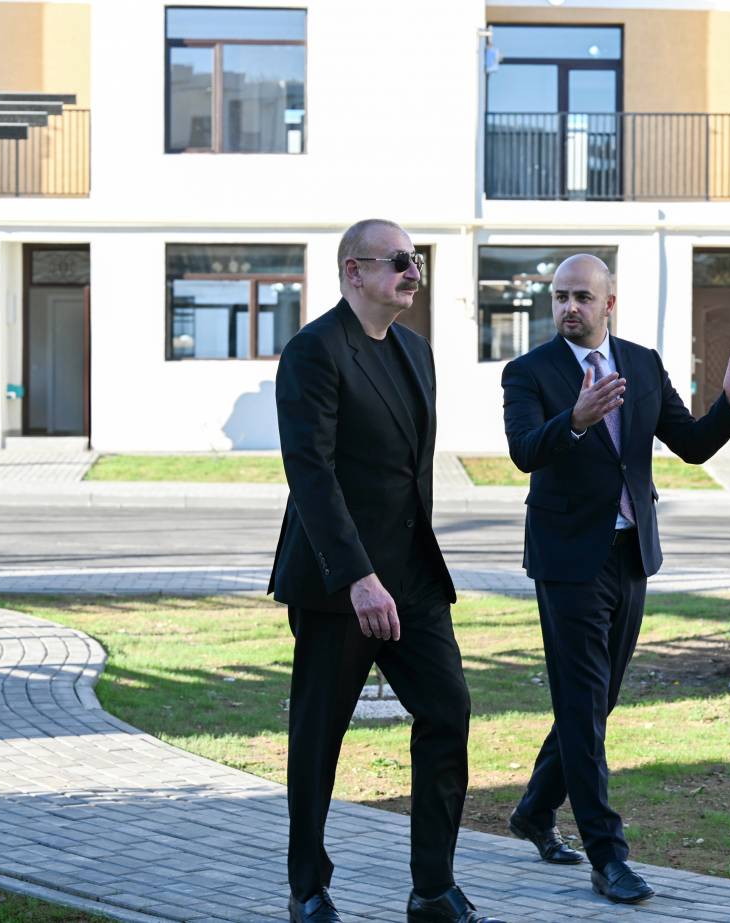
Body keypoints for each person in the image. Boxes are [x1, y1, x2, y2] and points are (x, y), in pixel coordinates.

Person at [500, 254, 730, 905]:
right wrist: (574, 420)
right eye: (560, 296)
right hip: (567, 561)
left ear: (609, 302)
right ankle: (608, 855)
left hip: (629, 555)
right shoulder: (529, 371)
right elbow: (523, 451)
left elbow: (691, 445)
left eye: (582, 296)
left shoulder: (643, 363)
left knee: (598, 701)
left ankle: (535, 810)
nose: (569, 307)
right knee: (582, 707)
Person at [270, 219, 503, 923]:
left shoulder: (415, 350)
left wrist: (397, 574)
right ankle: (308, 887)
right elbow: (311, 473)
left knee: (447, 711)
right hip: (340, 584)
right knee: (320, 735)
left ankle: (432, 888)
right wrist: (357, 577)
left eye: (417, 260)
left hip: (414, 579)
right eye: (399, 260)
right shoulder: (314, 351)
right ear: (354, 271)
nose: (413, 271)